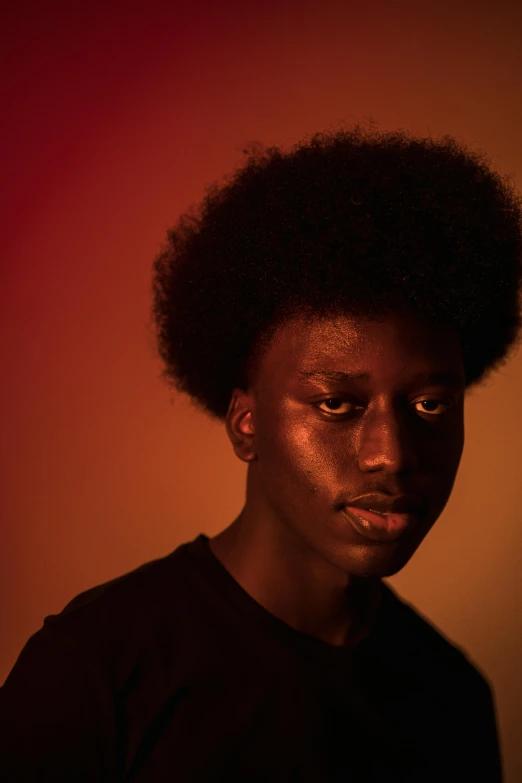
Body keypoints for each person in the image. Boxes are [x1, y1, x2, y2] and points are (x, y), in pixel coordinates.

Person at [1, 124, 521, 782]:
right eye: (337, 404)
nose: (392, 455)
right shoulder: (94, 674)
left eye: (429, 405)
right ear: (246, 422)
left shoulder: (451, 698)